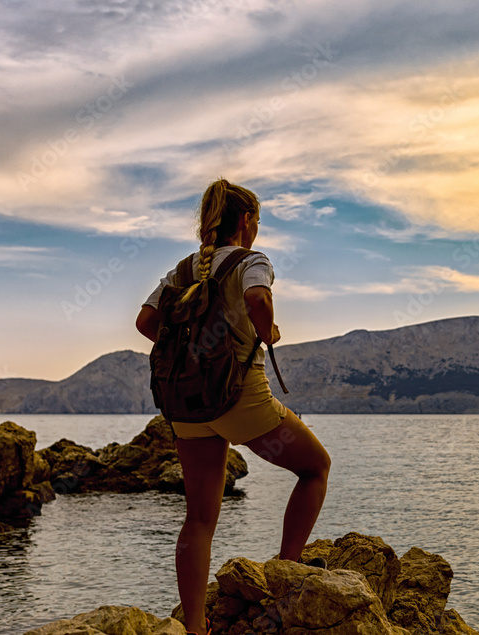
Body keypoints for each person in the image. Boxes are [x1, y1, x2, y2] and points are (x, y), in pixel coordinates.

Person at [135, 178, 331, 635]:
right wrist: (268, 332)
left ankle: (195, 628)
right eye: (257, 219)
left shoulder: (181, 271)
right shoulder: (252, 261)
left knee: (200, 517)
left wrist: (193, 353)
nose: (257, 228)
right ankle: (288, 567)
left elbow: (145, 322)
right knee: (316, 467)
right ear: (246, 221)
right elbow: (258, 299)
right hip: (241, 399)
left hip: (188, 406)